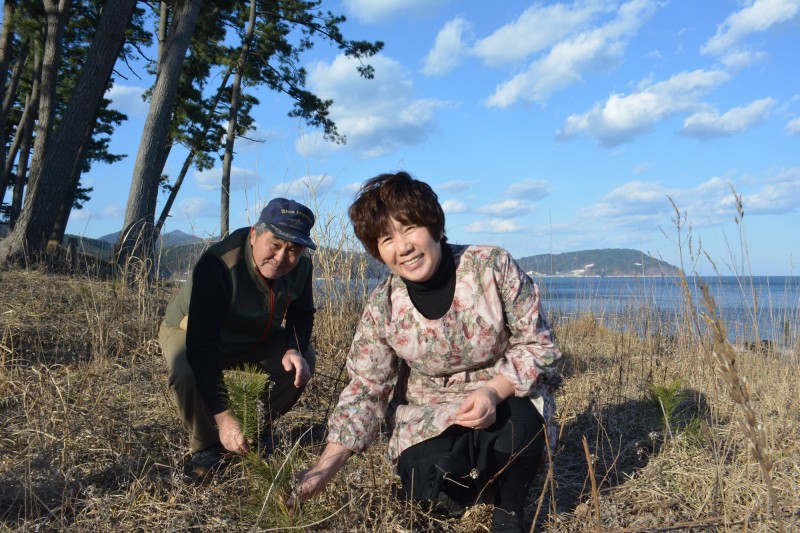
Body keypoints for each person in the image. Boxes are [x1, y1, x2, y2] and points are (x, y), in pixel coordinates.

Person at [289, 172, 562, 532]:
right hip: (429, 414)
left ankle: (509, 510)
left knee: (520, 425)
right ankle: (474, 484)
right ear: (377, 250)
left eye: (409, 228)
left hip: (503, 397)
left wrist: (493, 391)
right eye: (387, 238)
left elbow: (539, 343)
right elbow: (366, 388)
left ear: (434, 225)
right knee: (424, 483)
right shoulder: (383, 306)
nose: (402, 247)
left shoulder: (491, 267)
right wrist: (324, 470)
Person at [159, 197, 317, 481]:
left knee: (305, 357)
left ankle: (257, 428)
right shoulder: (218, 264)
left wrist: (294, 347)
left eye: (293, 249)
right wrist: (221, 415)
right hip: (191, 331)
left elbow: (302, 314)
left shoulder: (302, 267)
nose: (282, 258)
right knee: (186, 368)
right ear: (255, 235)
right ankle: (207, 448)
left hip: (255, 336)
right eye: (275, 244)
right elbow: (201, 345)